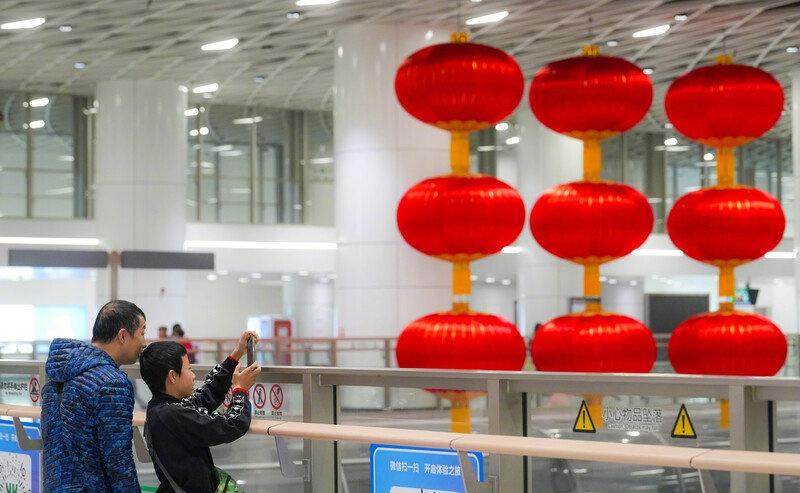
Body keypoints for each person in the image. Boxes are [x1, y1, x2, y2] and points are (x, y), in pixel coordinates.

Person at [42, 300, 147, 492]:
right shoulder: (112, 383)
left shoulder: (59, 373)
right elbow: (118, 460)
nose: (144, 342)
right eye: (142, 332)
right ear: (123, 335)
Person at [140, 330, 261, 493]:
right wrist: (240, 390)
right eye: (189, 369)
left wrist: (236, 355)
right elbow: (231, 425)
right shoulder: (172, 415)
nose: (193, 376)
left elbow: (206, 396)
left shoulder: (161, 409)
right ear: (173, 376)